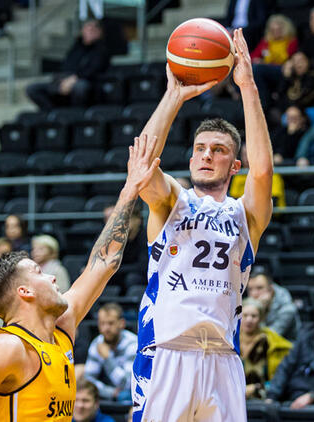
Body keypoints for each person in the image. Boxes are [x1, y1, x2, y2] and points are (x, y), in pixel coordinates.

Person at [0, 135, 158, 421]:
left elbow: (104, 262)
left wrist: (130, 191)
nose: (52, 278)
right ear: (25, 291)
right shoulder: (8, 346)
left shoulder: (61, 331)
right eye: (39, 272)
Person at [131, 29, 273, 422]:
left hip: (223, 357)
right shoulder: (172, 201)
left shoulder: (246, 215)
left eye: (219, 150)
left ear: (235, 165)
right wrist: (173, 96)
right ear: (191, 159)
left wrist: (248, 88)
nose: (207, 155)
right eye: (200, 149)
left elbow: (263, 172)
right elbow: (143, 165)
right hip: (167, 351)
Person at [25, 19, 110, 110]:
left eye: (93, 29)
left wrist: (73, 79)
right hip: (65, 79)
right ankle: (53, 113)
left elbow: (93, 70)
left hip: (86, 82)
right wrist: (62, 81)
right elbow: (66, 66)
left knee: (80, 87)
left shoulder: (101, 50)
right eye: (87, 29)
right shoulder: (76, 47)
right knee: (32, 89)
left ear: (99, 32)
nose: (90, 31)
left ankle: (76, 114)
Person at [240, 298, 292, 399]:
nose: (249, 320)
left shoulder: (272, 342)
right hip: (233, 395)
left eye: (254, 316)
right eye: (245, 315)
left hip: (263, 396)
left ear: (261, 318)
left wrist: (256, 388)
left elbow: (279, 378)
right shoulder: (230, 340)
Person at [85, 303, 137, 402]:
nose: (106, 328)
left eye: (110, 323)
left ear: (121, 323)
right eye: (102, 323)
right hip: (108, 392)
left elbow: (127, 383)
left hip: (129, 393)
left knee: (125, 396)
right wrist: (111, 392)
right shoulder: (97, 343)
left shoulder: (132, 343)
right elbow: (89, 380)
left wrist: (107, 358)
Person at [251, 14, 298, 107]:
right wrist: (257, 60)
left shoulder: (291, 41)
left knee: (257, 69)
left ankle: (262, 102)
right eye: (273, 30)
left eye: (279, 30)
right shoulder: (266, 42)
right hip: (266, 69)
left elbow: (290, 58)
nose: (276, 32)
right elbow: (252, 57)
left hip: (283, 69)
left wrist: (264, 63)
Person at [247, 271, 300, 341]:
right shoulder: (248, 305)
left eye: (259, 288)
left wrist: (260, 309)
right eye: (250, 289)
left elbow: (267, 338)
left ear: (271, 289)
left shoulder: (287, 309)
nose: (254, 294)